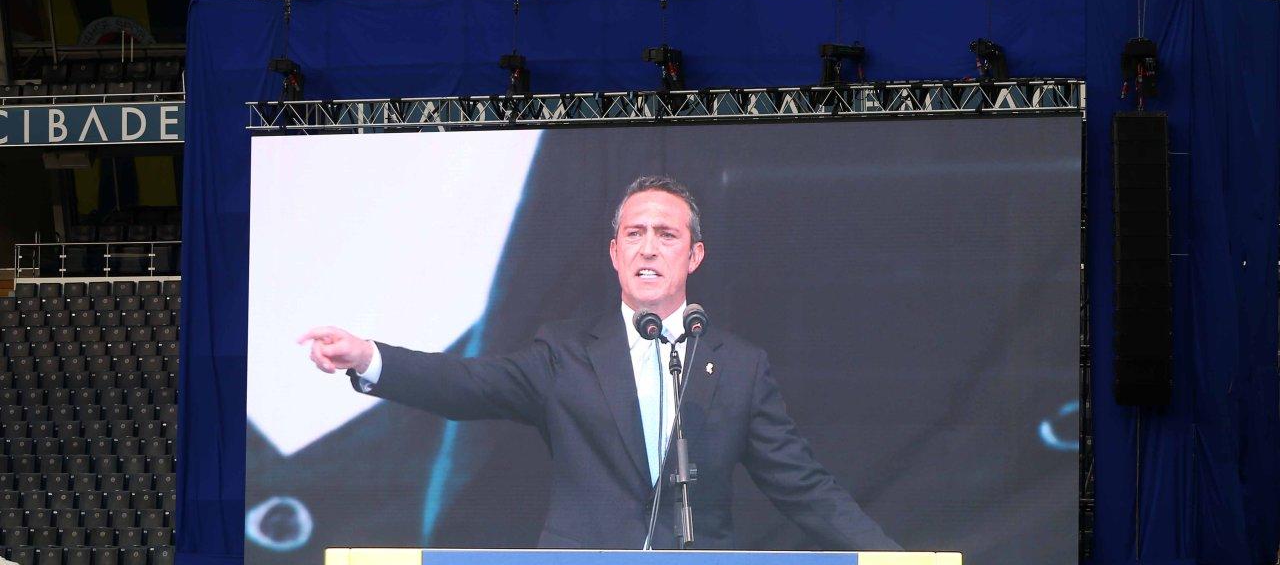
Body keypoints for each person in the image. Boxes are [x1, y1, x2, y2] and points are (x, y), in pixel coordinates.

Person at [299, 175, 898, 551]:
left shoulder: (739, 366)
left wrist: (898, 561)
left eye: (666, 235)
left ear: (694, 255)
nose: (648, 247)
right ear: (614, 253)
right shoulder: (564, 353)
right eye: (634, 234)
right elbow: (466, 384)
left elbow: (802, 486)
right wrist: (368, 356)